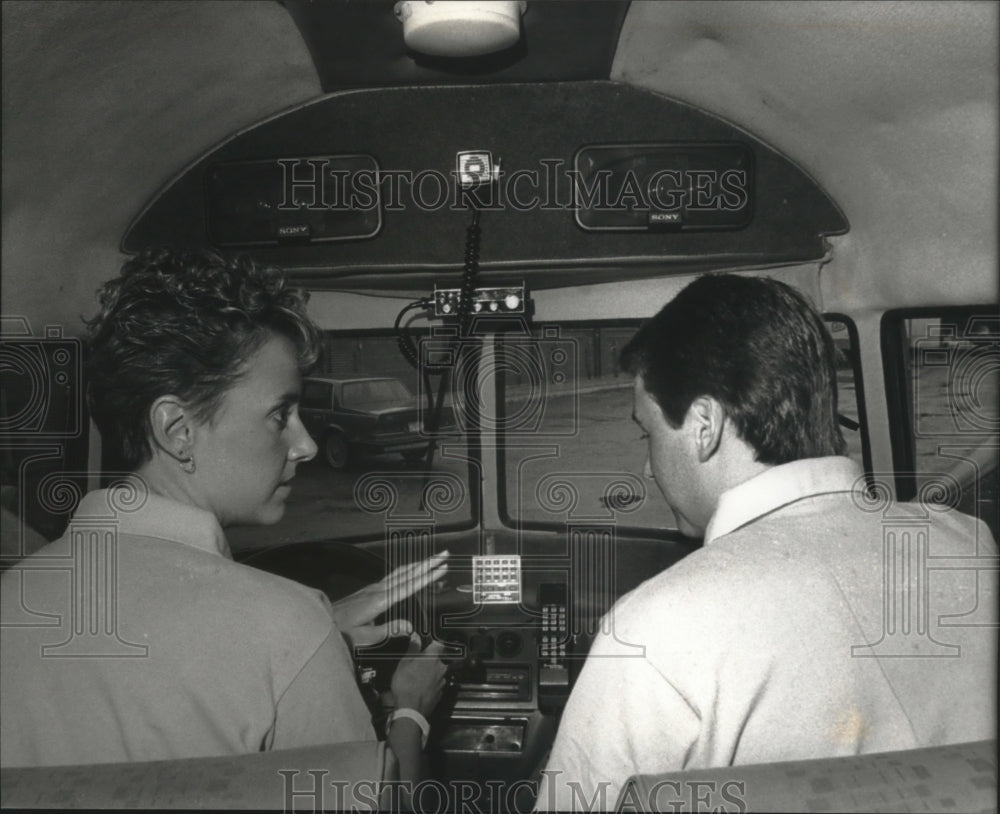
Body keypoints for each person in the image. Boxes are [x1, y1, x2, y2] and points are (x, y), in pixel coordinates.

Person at [537, 274, 998, 811]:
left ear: (704, 426)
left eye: (649, 433)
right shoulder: (968, 542)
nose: (647, 465)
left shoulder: (654, 630)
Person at [0, 248, 447, 780]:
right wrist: (410, 712)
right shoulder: (285, 628)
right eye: (280, 414)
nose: (304, 444)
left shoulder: (15, 595)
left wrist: (320, 633)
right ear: (177, 430)